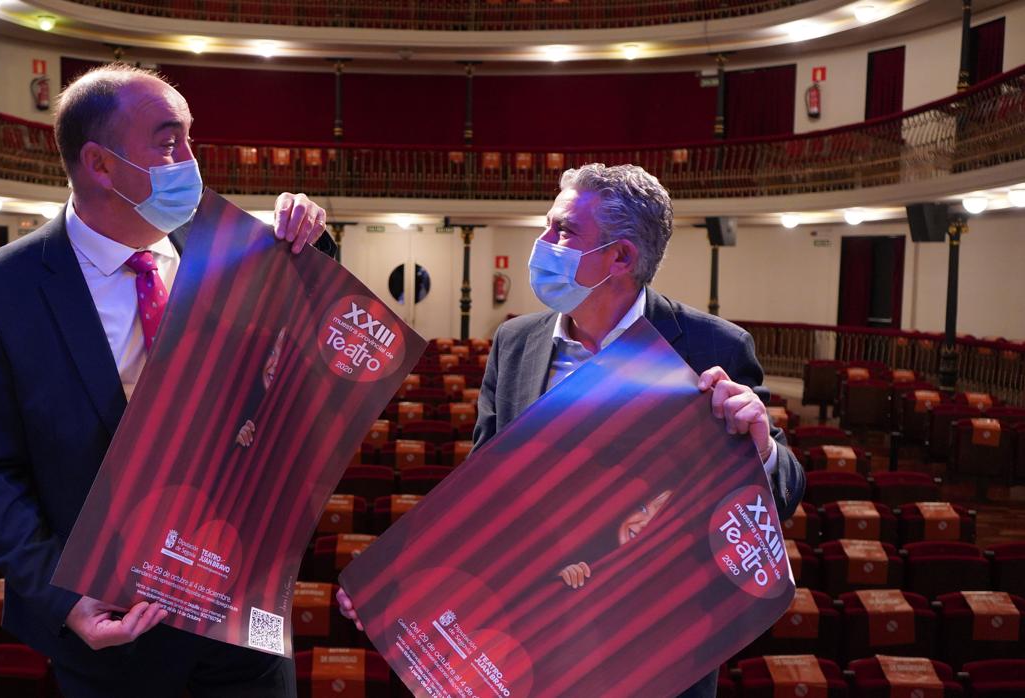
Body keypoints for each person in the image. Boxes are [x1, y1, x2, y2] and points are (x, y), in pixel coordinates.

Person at [339, 163, 805, 697]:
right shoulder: (516, 341)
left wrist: (763, 447)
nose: (543, 243)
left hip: (648, 652)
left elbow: (784, 493)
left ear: (621, 256)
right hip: (530, 637)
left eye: (562, 231)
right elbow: (482, 491)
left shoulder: (713, 346)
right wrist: (393, 587)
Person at [0, 64, 329, 697]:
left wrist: (312, 241)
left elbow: (310, 348)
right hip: (114, 631)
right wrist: (63, 599)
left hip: (242, 619)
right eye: (169, 141)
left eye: (189, 140)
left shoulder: (229, 251)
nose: (190, 160)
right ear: (99, 164)